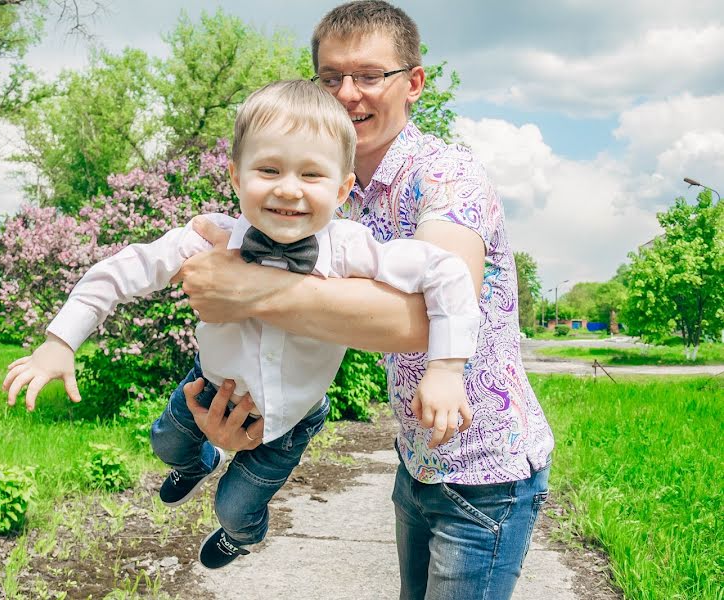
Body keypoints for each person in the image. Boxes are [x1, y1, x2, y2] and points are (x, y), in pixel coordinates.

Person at [3, 79, 481, 571]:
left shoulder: (350, 248)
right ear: (235, 176)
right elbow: (123, 270)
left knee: (233, 509)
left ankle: (242, 535)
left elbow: (444, 271)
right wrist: (59, 342)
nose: (288, 188)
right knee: (165, 443)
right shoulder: (213, 237)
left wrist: (445, 369)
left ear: (341, 189)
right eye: (268, 169)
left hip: (291, 416)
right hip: (209, 384)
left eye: (311, 174)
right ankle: (195, 464)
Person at [176, 2, 555, 597]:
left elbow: (421, 322)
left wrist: (250, 291)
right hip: (418, 461)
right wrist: (253, 419)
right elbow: (306, 327)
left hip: (487, 471)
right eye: (331, 78)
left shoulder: (446, 174)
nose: (348, 95)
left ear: (414, 83)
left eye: (369, 76)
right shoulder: (332, 193)